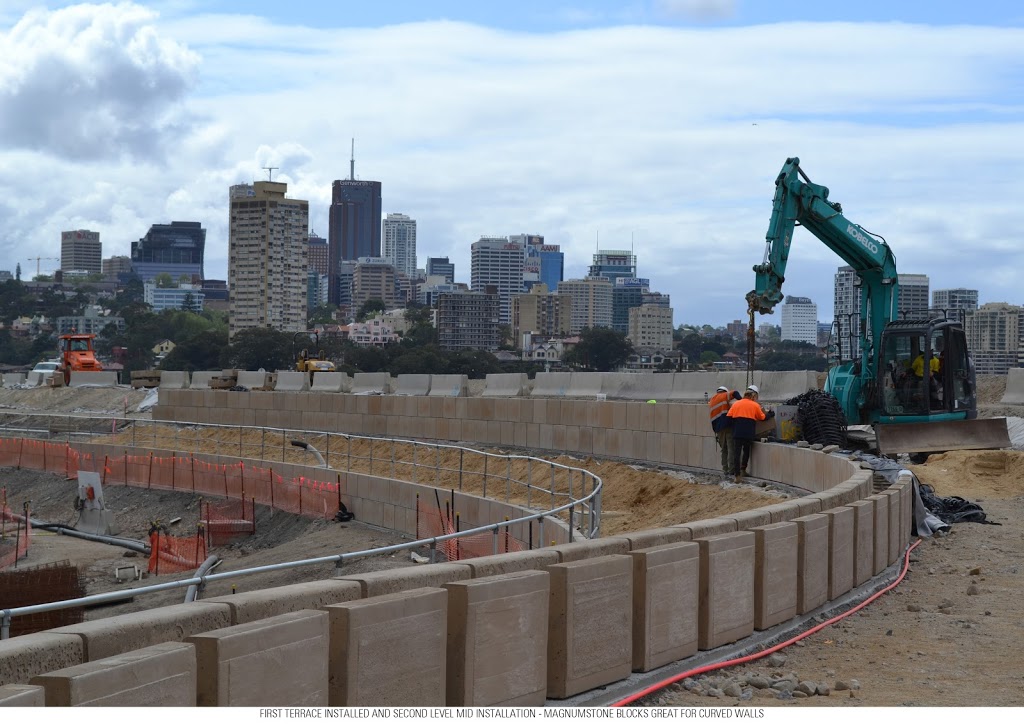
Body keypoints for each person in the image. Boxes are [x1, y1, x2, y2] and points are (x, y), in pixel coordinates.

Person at [727, 384, 774, 482]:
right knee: (746, 451)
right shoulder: (755, 405)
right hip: (748, 432)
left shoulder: (736, 404)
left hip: (737, 432)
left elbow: (729, 417)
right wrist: (770, 414)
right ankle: (743, 469)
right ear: (754, 395)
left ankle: (737, 476)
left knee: (737, 453)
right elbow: (762, 418)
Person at [708, 384, 741, 475]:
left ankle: (725, 469)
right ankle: (731, 470)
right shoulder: (724, 395)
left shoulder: (712, 400)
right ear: (725, 391)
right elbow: (735, 392)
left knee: (724, 449)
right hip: (727, 426)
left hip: (718, 429)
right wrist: (742, 401)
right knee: (731, 448)